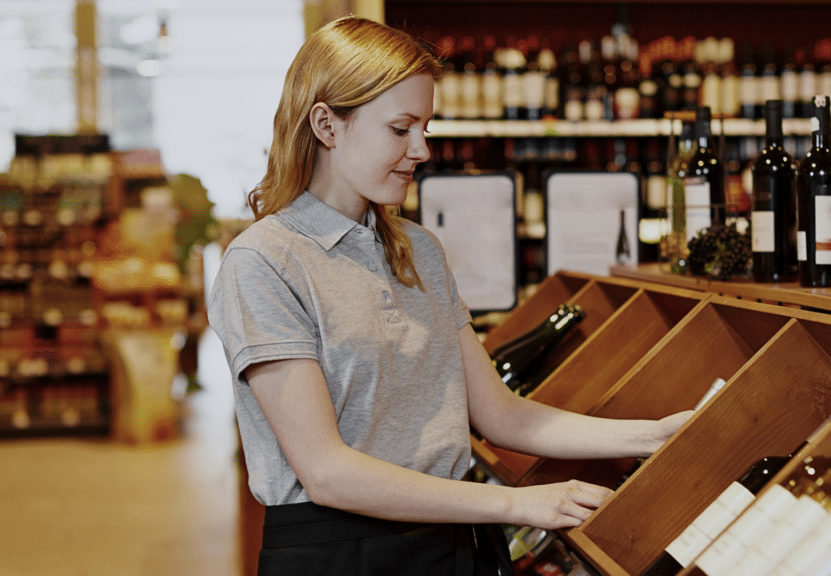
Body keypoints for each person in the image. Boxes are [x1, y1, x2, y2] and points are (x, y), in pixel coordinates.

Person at [207, 15, 693, 576]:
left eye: (426, 128)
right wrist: (514, 504)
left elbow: (501, 415)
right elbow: (326, 472)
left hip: (452, 540)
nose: (421, 149)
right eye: (400, 129)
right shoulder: (264, 262)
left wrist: (651, 435)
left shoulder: (418, 249)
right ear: (326, 125)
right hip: (341, 554)